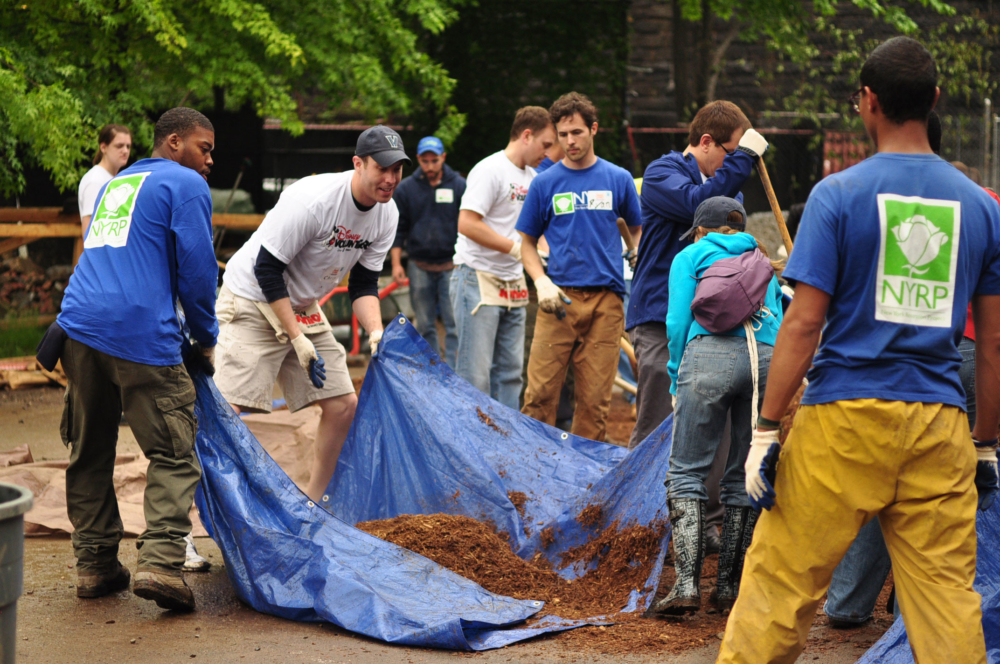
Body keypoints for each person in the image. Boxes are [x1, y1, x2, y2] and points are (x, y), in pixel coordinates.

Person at [719, 37, 1000, 663]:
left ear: (868, 103)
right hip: (939, 427)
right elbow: (996, 341)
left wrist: (766, 430)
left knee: (778, 587)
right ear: (931, 101)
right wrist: (985, 443)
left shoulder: (837, 195)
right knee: (947, 603)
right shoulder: (982, 208)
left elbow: (801, 325)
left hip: (842, 423)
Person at [821, 109, 981, 628]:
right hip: (963, 365)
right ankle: (921, 607)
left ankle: (849, 601)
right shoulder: (983, 205)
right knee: (951, 495)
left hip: (887, 373)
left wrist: (769, 426)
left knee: (881, 486)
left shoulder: (864, 196)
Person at [56, 107, 219, 612]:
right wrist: (205, 338)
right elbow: (197, 270)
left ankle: (95, 565)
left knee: (90, 449)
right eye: (204, 147)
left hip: (77, 327)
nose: (210, 160)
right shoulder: (186, 184)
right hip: (139, 332)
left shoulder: (120, 182)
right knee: (173, 451)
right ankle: (162, 564)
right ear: (173, 142)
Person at [216, 126, 407, 503]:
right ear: (358, 163)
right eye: (381, 168)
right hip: (253, 298)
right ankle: (205, 513)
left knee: (342, 404)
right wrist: (297, 338)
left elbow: (364, 284)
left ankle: (315, 503)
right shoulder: (313, 199)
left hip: (302, 304)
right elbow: (266, 270)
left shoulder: (387, 215)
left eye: (397, 170)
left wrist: (375, 332)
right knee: (227, 408)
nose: (390, 179)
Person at [628, 100, 768, 551]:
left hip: (712, 326)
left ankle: (701, 528)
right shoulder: (663, 173)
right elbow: (698, 206)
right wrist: (745, 157)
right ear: (706, 142)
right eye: (730, 153)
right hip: (658, 317)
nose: (734, 165)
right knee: (658, 420)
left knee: (714, 426)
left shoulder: (728, 190)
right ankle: (642, 525)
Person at [645, 198, 783, 617]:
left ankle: (686, 585)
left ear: (701, 230)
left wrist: (674, 374)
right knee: (744, 473)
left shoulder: (690, 254)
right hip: (765, 359)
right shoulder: (760, 257)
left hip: (708, 358)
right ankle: (728, 587)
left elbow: (675, 322)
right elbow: (777, 314)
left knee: (686, 470)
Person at [517, 92, 641, 441]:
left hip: (606, 302)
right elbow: (527, 242)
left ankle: (586, 485)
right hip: (558, 300)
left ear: (593, 129)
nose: (569, 141)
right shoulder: (545, 183)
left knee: (594, 402)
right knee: (539, 395)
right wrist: (540, 281)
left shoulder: (618, 179)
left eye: (577, 132)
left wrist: (637, 251)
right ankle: (531, 475)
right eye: (563, 134)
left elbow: (636, 226)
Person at [451, 107, 555, 410]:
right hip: (477, 277)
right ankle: (470, 445)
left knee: (511, 373)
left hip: (513, 282)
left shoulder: (535, 177)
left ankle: (505, 445)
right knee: (475, 375)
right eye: (545, 144)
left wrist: (547, 259)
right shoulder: (490, 169)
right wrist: (516, 249)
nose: (548, 154)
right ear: (526, 135)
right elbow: (467, 223)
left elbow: (539, 231)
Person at [390, 136, 466, 367]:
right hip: (419, 264)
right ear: (418, 160)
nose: (430, 166)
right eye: (425, 161)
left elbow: (469, 225)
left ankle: (453, 373)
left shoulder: (459, 185)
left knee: (454, 323)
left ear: (443, 158)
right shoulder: (406, 189)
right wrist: (396, 264)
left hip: (451, 265)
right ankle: (433, 370)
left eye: (435, 160)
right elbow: (398, 228)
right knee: (423, 323)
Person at [78, 124, 132, 235]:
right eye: (119, 146)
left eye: (128, 146)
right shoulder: (95, 180)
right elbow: (89, 229)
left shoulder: (113, 178)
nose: (125, 151)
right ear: (103, 147)